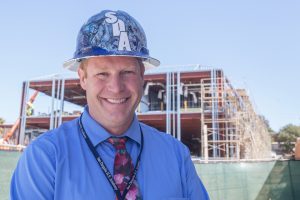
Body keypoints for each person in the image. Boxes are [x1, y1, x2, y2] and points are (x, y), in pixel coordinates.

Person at [10, 10, 209, 200]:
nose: (115, 87)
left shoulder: (175, 155)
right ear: (83, 78)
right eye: (102, 74)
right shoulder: (44, 159)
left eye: (127, 72)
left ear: (141, 76)